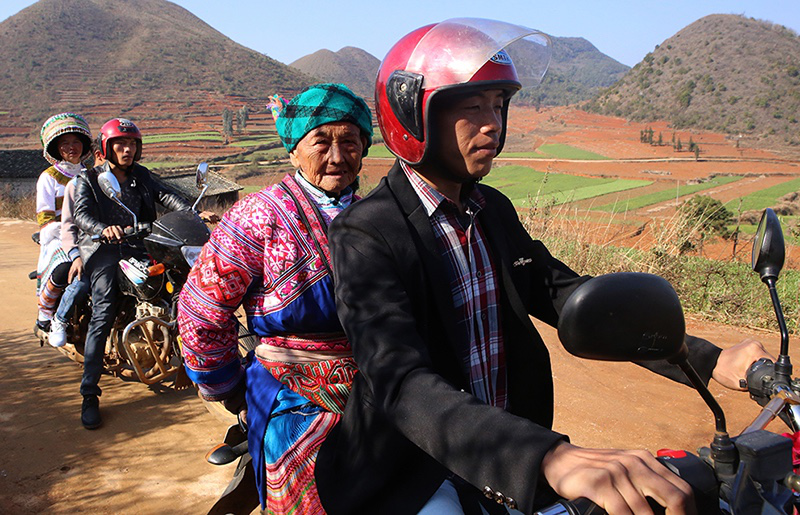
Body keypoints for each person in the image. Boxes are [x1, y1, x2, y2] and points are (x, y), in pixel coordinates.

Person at [318, 19, 772, 514]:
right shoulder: (365, 233)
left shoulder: (491, 210)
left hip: (506, 452)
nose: (492, 123)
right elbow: (400, 380)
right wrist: (547, 455)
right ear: (412, 115)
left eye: (498, 104)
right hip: (415, 468)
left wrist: (710, 360)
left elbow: (568, 296)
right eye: (472, 106)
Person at [177, 83, 372, 514]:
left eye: (350, 142)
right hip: (291, 398)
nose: (337, 156)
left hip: (379, 394)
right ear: (294, 152)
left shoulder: (378, 213)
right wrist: (228, 388)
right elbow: (200, 311)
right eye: (321, 142)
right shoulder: (257, 215)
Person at [73, 117, 193, 429]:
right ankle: (89, 393)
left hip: (140, 244)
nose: (127, 150)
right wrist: (103, 228)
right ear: (106, 148)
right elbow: (81, 214)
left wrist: (190, 212)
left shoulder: (141, 175)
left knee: (180, 281)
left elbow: (167, 195)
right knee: (103, 311)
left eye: (131, 144)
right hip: (104, 249)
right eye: (120, 145)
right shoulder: (89, 178)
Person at [34, 113, 93, 337]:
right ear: (57, 149)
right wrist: (69, 230)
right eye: (65, 143)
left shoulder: (92, 174)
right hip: (58, 235)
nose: (72, 147)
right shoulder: (48, 177)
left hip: (91, 233)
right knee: (64, 267)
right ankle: (46, 312)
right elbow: (45, 218)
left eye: (76, 141)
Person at [48, 138, 105, 348]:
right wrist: (76, 255)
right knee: (82, 282)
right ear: (99, 155)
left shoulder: (124, 182)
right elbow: (68, 226)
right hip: (85, 248)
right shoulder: (78, 183)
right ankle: (59, 319)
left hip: (114, 249)